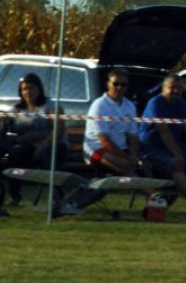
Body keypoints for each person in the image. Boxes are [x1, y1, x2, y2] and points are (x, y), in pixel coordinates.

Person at [140, 74, 186, 214]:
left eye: (179, 88)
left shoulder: (180, 103)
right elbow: (164, 131)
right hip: (152, 149)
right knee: (176, 164)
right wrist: (177, 155)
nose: (176, 91)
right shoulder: (156, 103)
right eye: (172, 88)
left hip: (171, 148)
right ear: (163, 88)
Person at [6, 72, 68, 207]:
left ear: (39, 89)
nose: (28, 92)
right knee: (14, 156)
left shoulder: (51, 106)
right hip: (27, 147)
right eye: (25, 89)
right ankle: (14, 196)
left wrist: (42, 146)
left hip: (52, 144)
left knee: (47, 154)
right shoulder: (17, 109)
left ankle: (57, 196)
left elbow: (59, 130)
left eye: (31, 88)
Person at [83, 68, 142, 176]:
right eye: (116, 84)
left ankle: (151, 189)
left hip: (121, 149)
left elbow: (133, 136)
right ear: (108, 84)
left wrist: (134, 156)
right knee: (125, 164)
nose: (119, 87)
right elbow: (104, 140)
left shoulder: (130, 106)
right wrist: (127, 158)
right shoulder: (99, 105)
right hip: (97, 149)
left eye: (123, 84)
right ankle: (151, 193)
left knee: (146, 164)